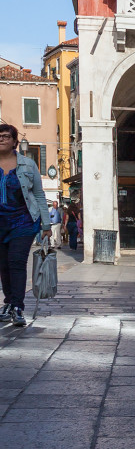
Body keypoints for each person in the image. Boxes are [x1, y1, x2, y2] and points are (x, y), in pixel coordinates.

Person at [0, 123, 50, 329]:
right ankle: (9, 303)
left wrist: (46, 223)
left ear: (14, 142)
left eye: (5, 136)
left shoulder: (28, 165)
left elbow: (38, 194)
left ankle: (18, 307)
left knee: (16, 263)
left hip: (23, 220)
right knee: (3, 265)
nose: (1, 139)